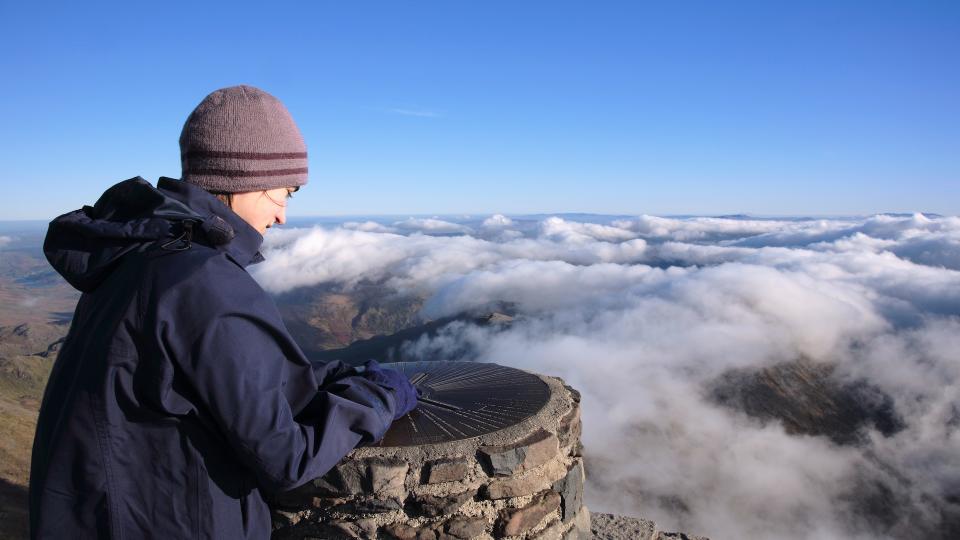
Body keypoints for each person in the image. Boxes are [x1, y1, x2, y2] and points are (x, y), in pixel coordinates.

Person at [29, 85, 418, 539]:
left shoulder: (140, 257)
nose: (282, 217)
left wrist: (333, 376)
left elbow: (224, 378)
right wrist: (379, 398)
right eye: (285, 193)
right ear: (244, 179)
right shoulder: (204, 281)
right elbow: (288, 457)